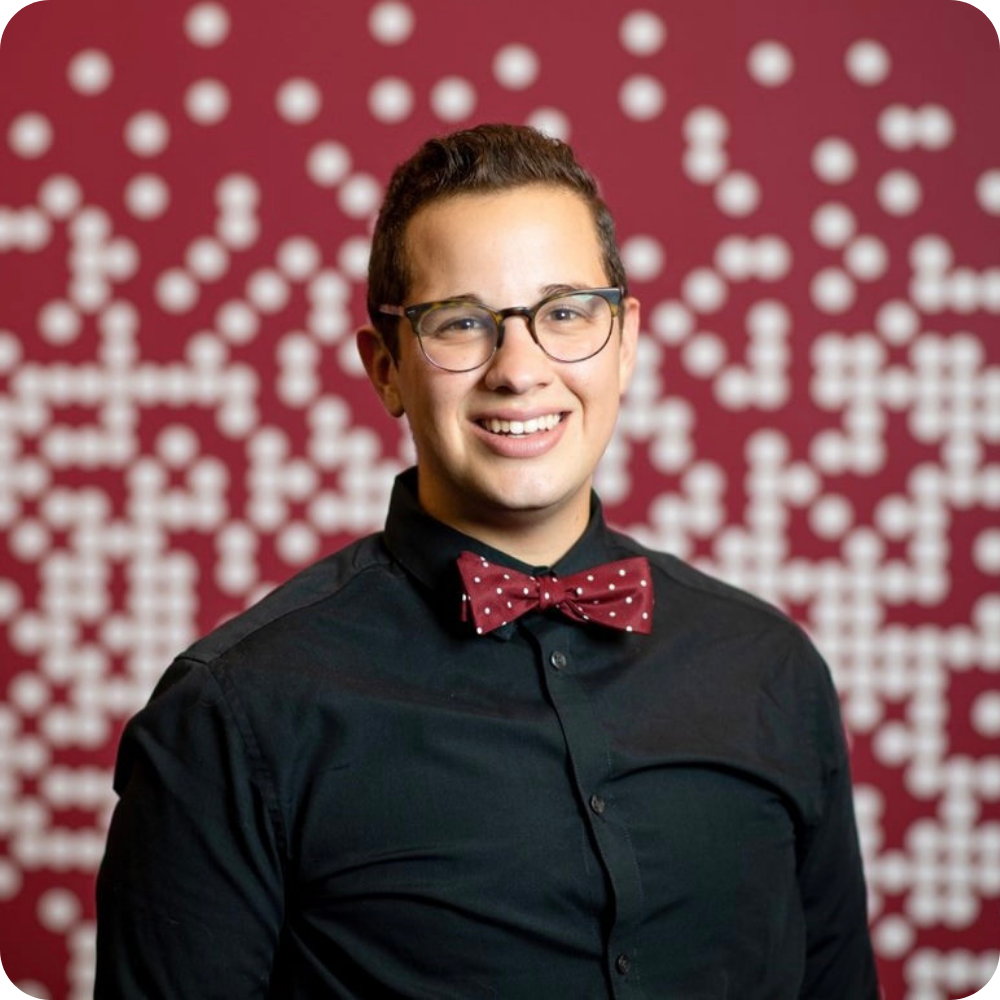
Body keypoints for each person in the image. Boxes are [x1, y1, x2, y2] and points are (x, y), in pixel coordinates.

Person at [95, 122, 879, 998]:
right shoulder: (230, 718)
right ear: (385, 368)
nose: (520, 369)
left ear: (624, 341)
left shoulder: (772, 669)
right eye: (462, 324)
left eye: (566, 314)